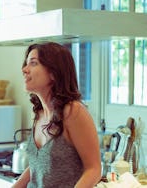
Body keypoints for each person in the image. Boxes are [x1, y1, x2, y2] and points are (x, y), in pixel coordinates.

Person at [12, 42, 101, 188]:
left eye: (33, 63)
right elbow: (37, 166)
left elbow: (94, 169)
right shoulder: (40, 113)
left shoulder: (73, 112)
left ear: (54, 73)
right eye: (26, 63)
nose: (24, 70)